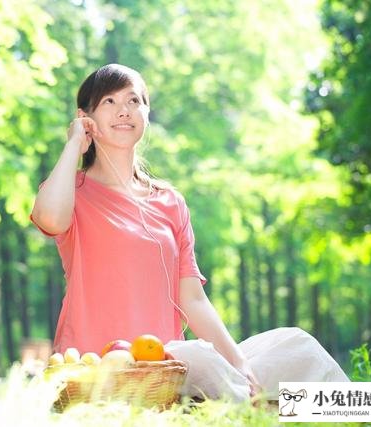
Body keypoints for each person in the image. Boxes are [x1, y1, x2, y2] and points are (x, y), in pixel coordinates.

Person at [30, 63, 348, 401]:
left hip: (171, 367)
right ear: (85, 116)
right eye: (109, 101)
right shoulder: (72, 190)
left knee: (296, 345)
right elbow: (49, 219)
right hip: (100, 370)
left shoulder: (169, 201)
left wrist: (240, 364)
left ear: (146, 113)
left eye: (134, 100)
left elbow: (193, 299)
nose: (124, 110)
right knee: (199, 355)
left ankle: (355, 413)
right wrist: (73, 144)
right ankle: (250, 405)